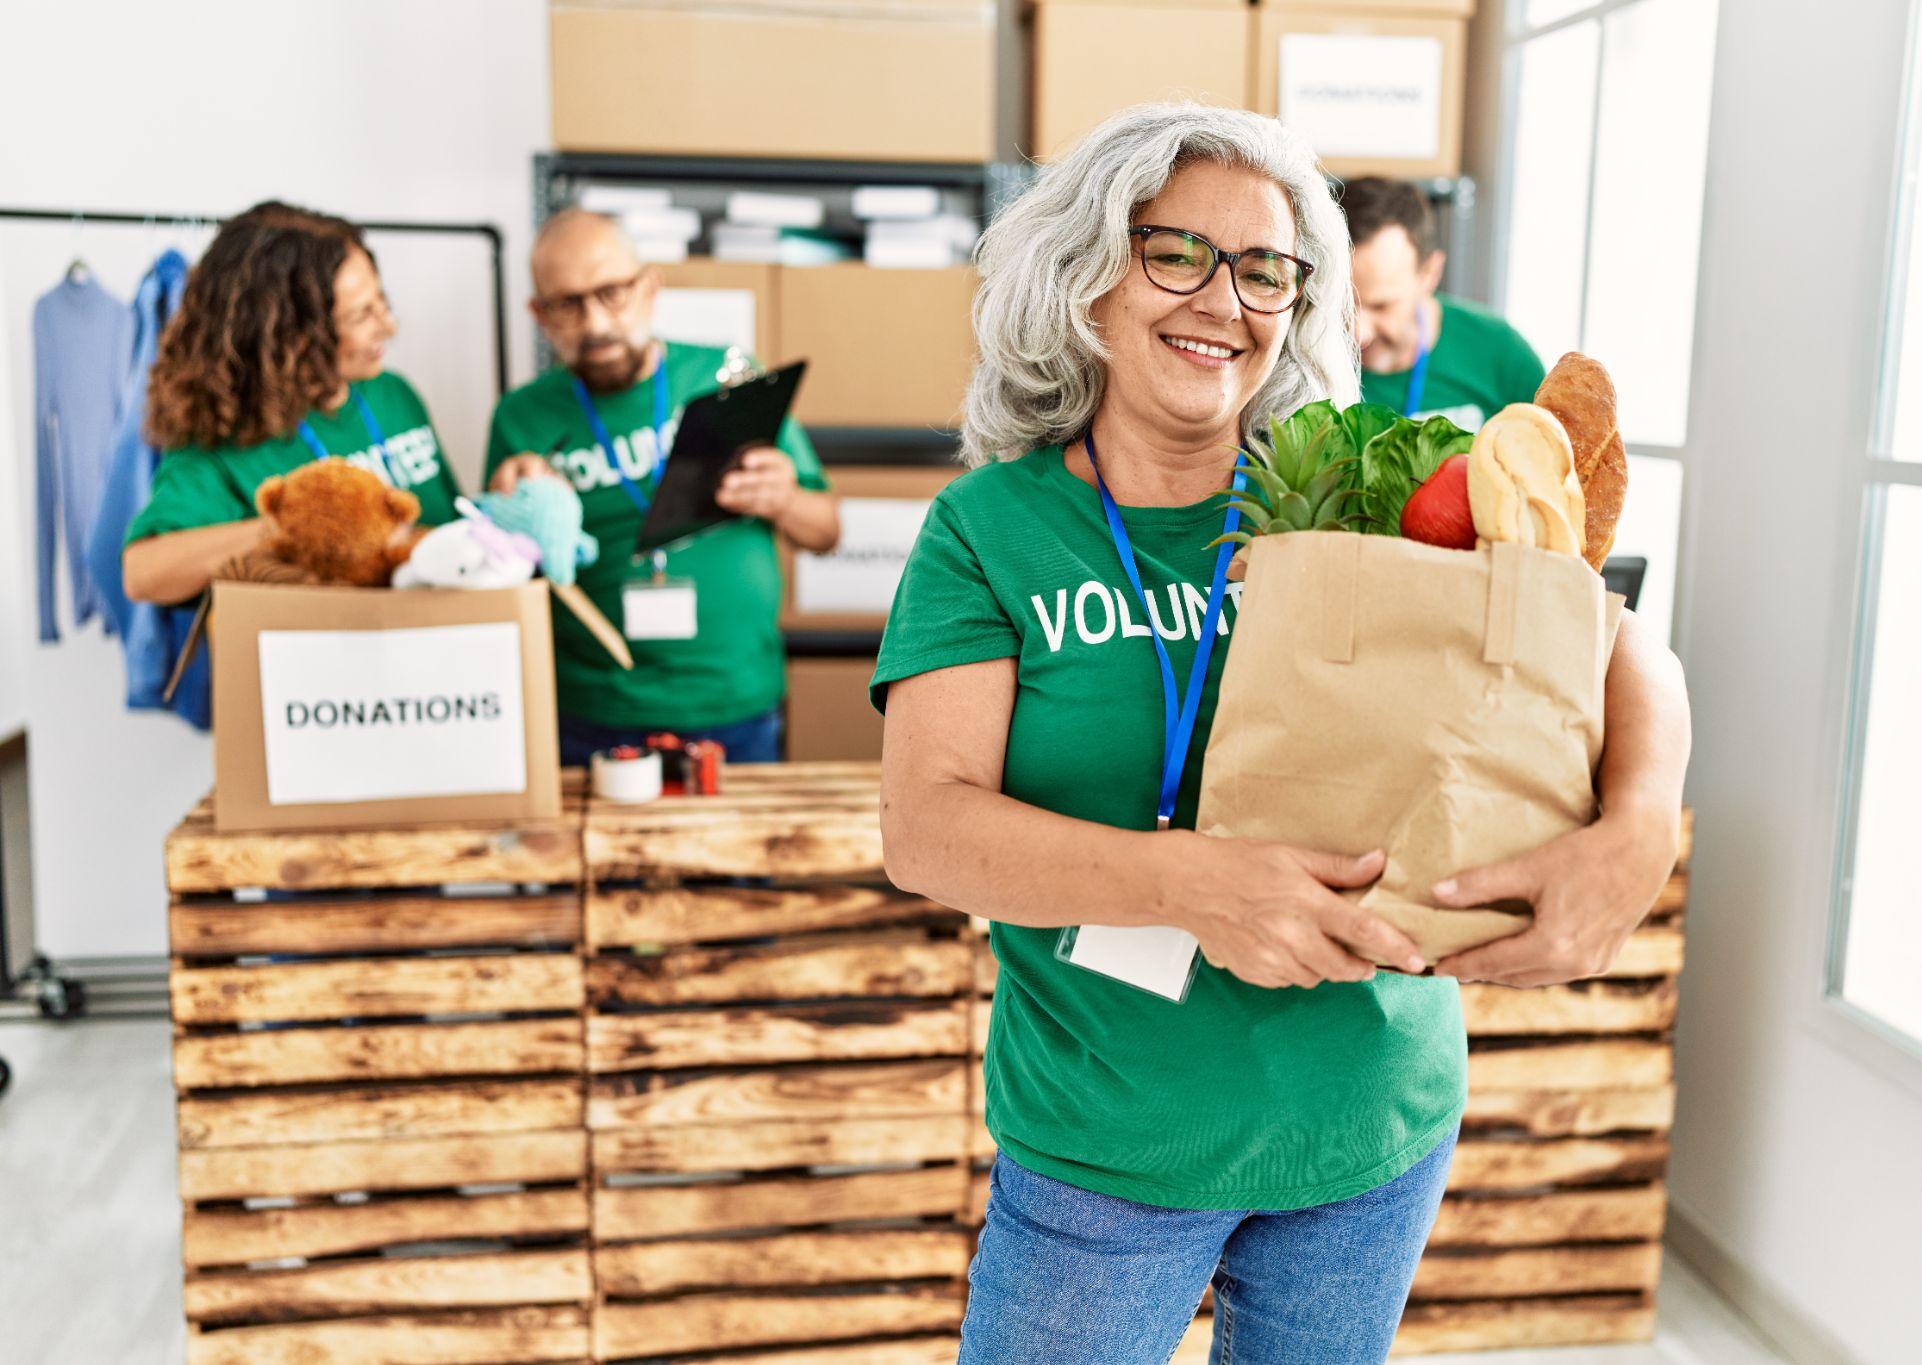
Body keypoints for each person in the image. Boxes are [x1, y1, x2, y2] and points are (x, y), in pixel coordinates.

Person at [872, 105, 1691, 1362]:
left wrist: (1636, 827)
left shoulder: (1354, 487)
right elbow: (928, 829)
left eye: (1265, 270)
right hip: (1109, 1145)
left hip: (1370, 1123)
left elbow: (1611, 634)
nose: (1224, 299)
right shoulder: (990, 530)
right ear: (1085, 270)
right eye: (1175, 252)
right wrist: (1190, 882)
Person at [486, 211, 840, 765]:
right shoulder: (520, 417)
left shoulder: (729, 375)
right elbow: (498, 582)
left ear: (651, 287)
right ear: (539, 315)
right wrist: (508, 519)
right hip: (590, 710)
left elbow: (826, 531)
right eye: (567, 304)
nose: (595, 322)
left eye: (612, 293)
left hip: (735, 700)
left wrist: (785, 500)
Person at [123, 202, 462, 605]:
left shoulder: (394, 394)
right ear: (294, 337)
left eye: (381, 301)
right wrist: (288, 526)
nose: (387, 326)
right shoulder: (224, 442)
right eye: (360, 316)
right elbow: (142, 574)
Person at [1346, 176, 1547, 431]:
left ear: (1430, 273)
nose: (1357, 331)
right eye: (1342, 305)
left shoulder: (1500, 353)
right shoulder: (1295, 355)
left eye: (1381, 306)